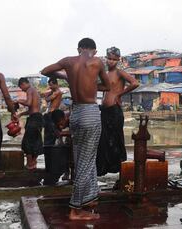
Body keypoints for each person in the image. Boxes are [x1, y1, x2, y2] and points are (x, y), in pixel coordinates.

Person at [41, 38, 110, 220]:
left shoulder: (68, 61)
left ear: (79, 49)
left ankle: (89, 200)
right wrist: (92, 83)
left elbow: (45, 71)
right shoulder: (97, 62)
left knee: (81, 159)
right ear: (94, 50)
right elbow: (108, 86)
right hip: (89, 112)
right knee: (86, 163)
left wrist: (67, 76)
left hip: (76, 114)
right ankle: (76, 209)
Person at [97, 47, 139, 176]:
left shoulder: (119, 72)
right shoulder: (103, 73)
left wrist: (119, 94)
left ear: (118, 60)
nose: (111, 61)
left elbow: (135, 83)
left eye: (114, 59)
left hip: (115, 111)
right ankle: (104, 169)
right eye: (109, 58)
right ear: (105, 58)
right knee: (104, 140)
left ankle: (121, 171)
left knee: (116, 140)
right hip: (104, 111)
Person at [16, 77, 43, 170]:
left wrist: (18, 101)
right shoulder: (34, 91)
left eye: (21, 87)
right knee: (35, 141)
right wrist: (21, 114)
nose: (22, 90)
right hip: (37, 117)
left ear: (24, 84)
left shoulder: (30, 90)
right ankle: (33, 163)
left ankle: (29, 164)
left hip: (35, 119)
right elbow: (32, 109)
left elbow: (28, 103)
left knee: (27, 142)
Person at [42, 77, 62, 145]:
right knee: (49, 132)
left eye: (51, 85)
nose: (50, 87)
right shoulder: (53, 91)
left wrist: (45, 95)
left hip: (53, 113)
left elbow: (48, 99)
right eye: (49, 85)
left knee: (51, 132)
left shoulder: (57, 92)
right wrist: (48, 91)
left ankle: (51, 146)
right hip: (50, 113)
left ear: (55, 84)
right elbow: (46, 94)